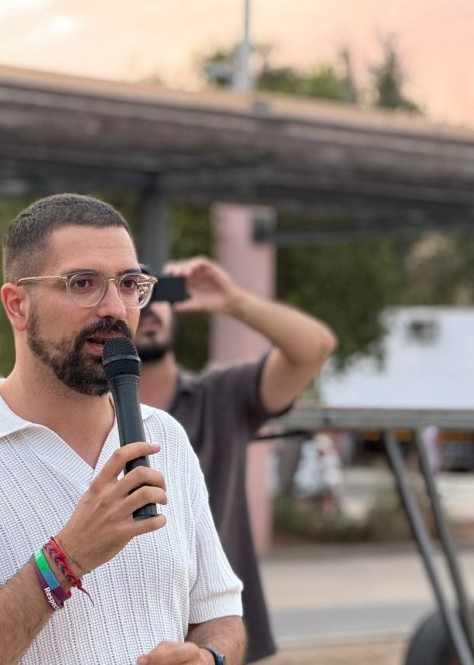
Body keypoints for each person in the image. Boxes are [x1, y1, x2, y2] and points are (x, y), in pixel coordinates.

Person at [0, 194, 246, 665]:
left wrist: (208, 657)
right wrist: (64, 560)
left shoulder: (164, 437)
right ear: (17, 305)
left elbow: (220, 612)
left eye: (130, 283)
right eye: (82, 283)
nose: (115, 307)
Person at [135, 256, 337, 663]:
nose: (149, 307)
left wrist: (234, 302)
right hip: (123, 634)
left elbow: (315, 348)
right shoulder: (84, 415)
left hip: (218, 638)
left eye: (157, 292)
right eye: (133, 293)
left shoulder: (218, 397)